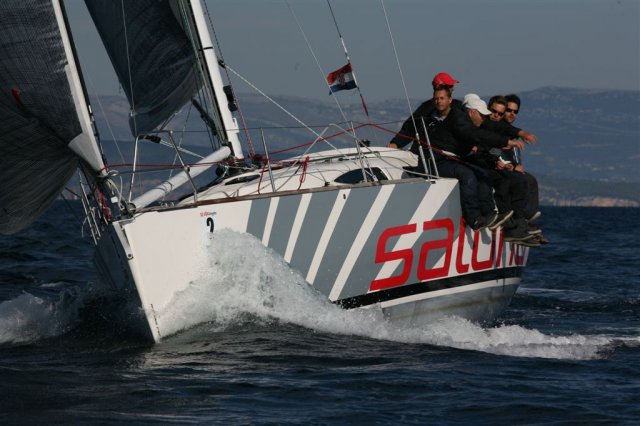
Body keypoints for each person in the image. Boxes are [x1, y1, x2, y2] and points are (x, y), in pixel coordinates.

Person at [462, 94, 536, 243]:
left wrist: (508, 163)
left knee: (528, 180)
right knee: (508, 180)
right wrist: (498, 160)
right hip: (478, 164)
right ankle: (511, 224)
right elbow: (485, 146)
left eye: (500, 113)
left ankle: (522, 220)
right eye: (494, 111)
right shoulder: (479, 126)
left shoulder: (499, 128)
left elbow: (493, 146)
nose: (496, 115)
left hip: (490, 163)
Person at [388, 72, 463, 151]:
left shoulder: (460, 106)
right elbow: (410, 127)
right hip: (428, 153)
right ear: (439, 87)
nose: (453, 88)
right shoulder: (426, 109)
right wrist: (396, 143)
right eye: (450, 86)